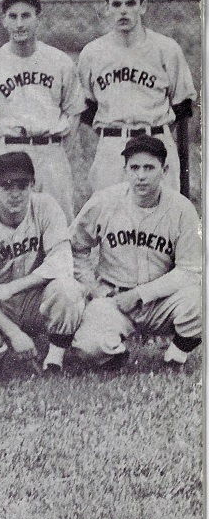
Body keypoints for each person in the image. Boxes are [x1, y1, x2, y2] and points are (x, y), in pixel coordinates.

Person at [69, 135, 202, 368]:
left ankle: (176, 354)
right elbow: (74, 247)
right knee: (88, 347)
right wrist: (91, 287)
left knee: (202, 300)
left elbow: (190, 270)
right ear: (125, 170)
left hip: (162, 301)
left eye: (149, 168)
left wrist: (140, 294)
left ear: (164, 170)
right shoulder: (104, 201)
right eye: (134, 168)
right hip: (114, 297)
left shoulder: (182, 209)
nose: (141, 176)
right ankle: (114, 354)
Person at [0, 0, 86, 219]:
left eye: (26, 16)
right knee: (6, 225)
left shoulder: (59, 62)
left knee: (58, 220)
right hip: (10, 149)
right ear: (4, 20)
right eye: (13, 16)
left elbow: (74, 112)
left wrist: (57, 149)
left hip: (50, 153)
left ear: (38, 18)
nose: (19, 24)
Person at [0, 152, 85, 371]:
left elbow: (62, 263)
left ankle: (54, 360)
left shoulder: (46, 207)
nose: (15, 194)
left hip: (33, 300)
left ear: (33, 184)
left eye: (22, 185)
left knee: (68, 289)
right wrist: (14, 333)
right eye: (7, 186)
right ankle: (4, 347)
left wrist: (12, 287)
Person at [77, 0, 197, 194]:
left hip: (156, 141)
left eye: (130, 3)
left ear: (143, 6)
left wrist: (159, 134)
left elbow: (182, 107)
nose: (123, 10)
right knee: (109, 212)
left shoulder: (166, 49)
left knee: (161, 212)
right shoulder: (92, 53)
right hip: (112, 146)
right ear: (107, 8)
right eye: (116, 4)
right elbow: (86, 109)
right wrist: (109, 137)